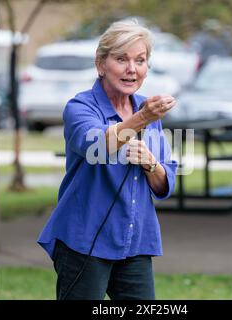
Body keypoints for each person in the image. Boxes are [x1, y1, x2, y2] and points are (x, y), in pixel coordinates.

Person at [37, 19, 177, 300]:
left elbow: (166, 183)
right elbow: (97, 146)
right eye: (121, 59)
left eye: (140, 60)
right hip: (84, 242)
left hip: (135, 242)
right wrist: (143, 118)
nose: (132, 69)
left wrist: (151, 164)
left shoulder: (146, 110)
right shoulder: (80, 107)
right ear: (101, 64)